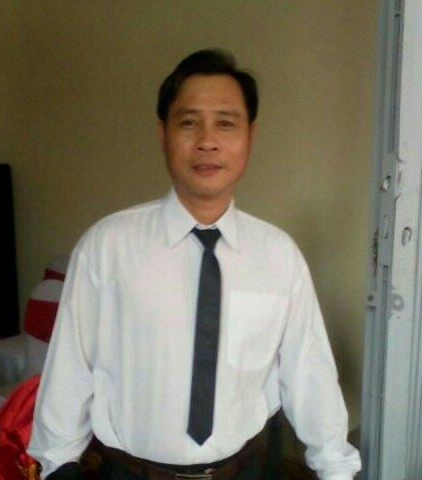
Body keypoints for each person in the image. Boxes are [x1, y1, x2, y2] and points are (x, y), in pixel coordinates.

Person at [28, 49, 361, 480]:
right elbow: (70, 368)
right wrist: (57, 465)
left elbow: (309, 374)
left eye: (226, 122)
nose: (207, 141)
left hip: (243, 471)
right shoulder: (107, 246)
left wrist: (335, 468)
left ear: (250, 135)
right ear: (163, 133)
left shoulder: (279, 257)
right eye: (188, 123)